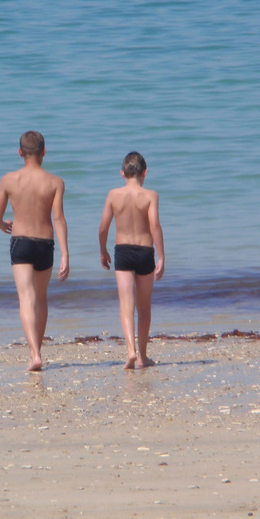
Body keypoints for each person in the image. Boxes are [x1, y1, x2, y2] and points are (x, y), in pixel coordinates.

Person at [0, 131, 69, 371]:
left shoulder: (8, 180)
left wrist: (4, 225)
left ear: (20, 152)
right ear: (44, 152)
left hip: (21, 242)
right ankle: (38, 351)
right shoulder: (55, 182)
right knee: (41, 299)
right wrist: (65, 253)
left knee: (26, 298)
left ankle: (34, 354)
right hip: (45, 243)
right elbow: (58, 219)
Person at [98, 151, 165, 369]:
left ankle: (130, 351)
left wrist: (103, 251)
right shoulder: (150, 195)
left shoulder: (113, 195)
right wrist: (162, 255)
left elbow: (103, 228)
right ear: (144, 172)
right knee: (144, 307)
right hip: (145, 251)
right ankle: (143, 356)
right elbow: (154, 225)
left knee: (126, 305)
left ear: (122, 173)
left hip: (123, 252)